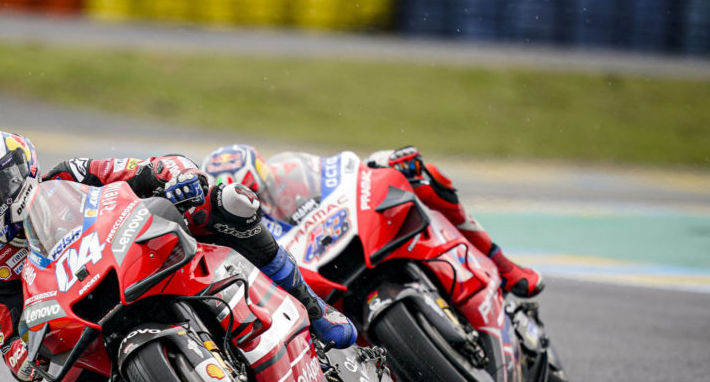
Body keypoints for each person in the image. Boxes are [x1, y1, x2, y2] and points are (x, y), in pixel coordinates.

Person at [0, 130, 358, 382]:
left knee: (230, 202)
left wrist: (177, 175)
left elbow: (147, 169)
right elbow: (15, 357)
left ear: (22, 171)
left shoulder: (70, 176)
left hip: (145, 255)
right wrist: (32, 347)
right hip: (89, 329)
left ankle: (315, 309)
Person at [201, 144, 544, 298]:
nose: (251, 201)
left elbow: (340, 170)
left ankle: (504, 263)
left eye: (256, 190)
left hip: (347, 231)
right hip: (315, 272)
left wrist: (383, 163)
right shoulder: (236, 235)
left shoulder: (291, 174)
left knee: (421, 173)